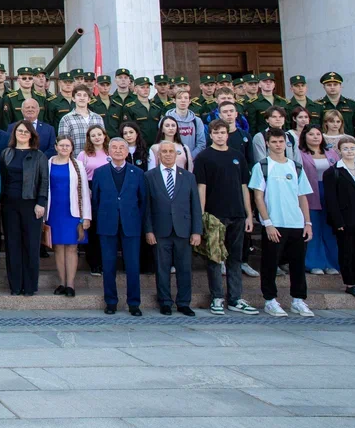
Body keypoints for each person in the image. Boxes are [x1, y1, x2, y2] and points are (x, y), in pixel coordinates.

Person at [193, 119, 258, 315]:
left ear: (227, 134)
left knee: (235, 258)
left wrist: (248, 215)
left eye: (223, 132)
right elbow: (201, 189)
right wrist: (201, 216)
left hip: (237, 214)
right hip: (214, 216)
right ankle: (217, 297)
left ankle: (235, 298)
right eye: (216, 132)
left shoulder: (237, 156)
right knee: (214, 258)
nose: (220, 135)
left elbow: (244, 187)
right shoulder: (204, 157)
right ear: (210, 135)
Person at [249, 128, 315, 317]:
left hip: (296, 223)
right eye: (274, 142)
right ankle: (270, 300)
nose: (278, 145)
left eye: (281, 142)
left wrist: (307, 223)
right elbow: (258, 197)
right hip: (275, 223)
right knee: (270, 263)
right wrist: (267, 222)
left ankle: (298, 300)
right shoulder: (262, 166)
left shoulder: (295, 167)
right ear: (268, 144)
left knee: (297, 264)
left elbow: (302, 196)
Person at [144, 141, 203, 316]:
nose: (168, 154)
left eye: (171, 151)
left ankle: (184, 302)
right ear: (158, 155)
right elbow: (146, 206)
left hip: (183, 230)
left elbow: (195, 206)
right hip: (160, 230)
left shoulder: (188, 176)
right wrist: (149, 230)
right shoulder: (149, 176)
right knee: (162, 269)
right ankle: (165, 302)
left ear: (177, 155)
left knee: (184, 268)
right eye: (164, 152)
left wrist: (196, 231)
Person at [90, 137, 148, 315]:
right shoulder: (100, 173)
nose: (117, 150)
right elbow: (96, 200)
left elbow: (143, 200)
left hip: (131, 225)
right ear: (109, 150)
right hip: (107, 224)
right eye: (114, 147)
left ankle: (134, 303)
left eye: (121, 148)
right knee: (108, 266)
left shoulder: (137, 173)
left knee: (132, 265)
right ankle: (111, 302)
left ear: (127, 151)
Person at [0, 120, 49, 297]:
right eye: (19, 131)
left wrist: (41, 202)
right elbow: (2, 179)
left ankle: (29, 286)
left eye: (26, 132)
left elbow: (44, 181)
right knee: (12, 245)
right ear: (14, 133)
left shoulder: (39, 155)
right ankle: (15, 285)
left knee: (31, 245)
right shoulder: (6, 153)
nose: (22, 134)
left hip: (31, 205)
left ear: (31, 135)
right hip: (9, 205)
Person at [323, 135, 355, 298]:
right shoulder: (333, 172)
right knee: (347, 251)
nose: (349, 151)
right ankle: (350, 283)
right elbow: (331, 199)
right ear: (339, 151)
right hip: (345, 219)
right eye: (345, 148)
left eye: (352, 148)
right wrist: (338, 221)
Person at [300, 125, 340, 274]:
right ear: (305, 136)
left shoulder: (331, 153)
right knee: (314, 228)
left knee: (330, 230)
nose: (315, 137)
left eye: (318, 134)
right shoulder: (300, 154)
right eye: (311, 134)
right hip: (310, 193)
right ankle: (314, 263)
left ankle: (332, 263)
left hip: (330, 194)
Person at [78, 124, 112, 275]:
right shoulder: (83, 154)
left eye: (99, 134)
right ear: (89, 139)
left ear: (104, 135)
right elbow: (79, 176)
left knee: (107, 228)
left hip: (109, 192)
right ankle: (94, 263)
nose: (97, 137)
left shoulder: (111, 152)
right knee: (93, 229)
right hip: (90, 191)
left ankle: (107, 263)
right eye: (93, 135)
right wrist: (87, 191)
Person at [58, 84, 105, 154]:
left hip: (96, 160)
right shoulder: (66, 119)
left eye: (85, 95)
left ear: (89, 99)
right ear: (73, 98)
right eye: (79, 95)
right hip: (75, 160)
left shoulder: (98, 118)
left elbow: (104, 141)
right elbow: (62, 143)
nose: (82, 98)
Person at [163, 89, 207, 160]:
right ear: (174, 101)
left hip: (191, 160)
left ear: (190, 101)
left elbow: (201, 144)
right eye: (179, 98)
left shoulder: (197, 121)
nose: (183, 100)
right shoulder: (165, 121)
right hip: (171, 160)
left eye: (186, 98)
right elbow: (162, 141)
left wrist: (189, 157)